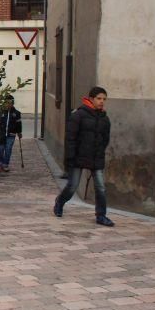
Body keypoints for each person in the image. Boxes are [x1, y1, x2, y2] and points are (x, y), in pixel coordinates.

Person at [54, 87, 113, 226]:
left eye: (104, 99)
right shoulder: (78, 115)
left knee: (100, 187)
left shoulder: (105, 118)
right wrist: (70, 158)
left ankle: (101, 215)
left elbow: (105, 139)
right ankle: (60, 202)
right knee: (72, 186)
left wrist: (99, 152)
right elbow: (70, 139)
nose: (102, 102)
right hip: (78, 157)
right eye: (99, 98)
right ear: (91, 99)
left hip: (96, 157)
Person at [0, 95, 23, 172]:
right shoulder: (1, 112)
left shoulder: (16, 113)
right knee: (0, 149)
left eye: (10, 103)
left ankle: (5, 164)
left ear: (12, 103)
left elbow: (19, 124)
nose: (8, 104)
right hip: (1, 134)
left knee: (8, 149)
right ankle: (0, 163)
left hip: (11, 134)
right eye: (7, 103)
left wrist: (19, 132)